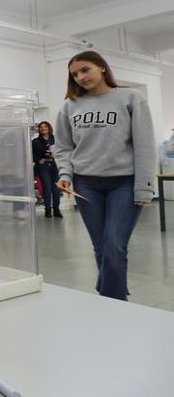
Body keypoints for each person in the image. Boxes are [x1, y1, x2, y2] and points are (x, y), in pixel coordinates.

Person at [55, 51, 155, 301]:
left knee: (113, 247)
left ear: (101, 67)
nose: (80, 77)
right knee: (101, 247)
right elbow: (64, 147)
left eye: (85, 69)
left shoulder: (131, 98)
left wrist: (144, 187)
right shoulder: (70, 106)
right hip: (85, 184)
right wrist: (65, 174)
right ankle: (114, 298)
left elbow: (144, 145)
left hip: (123, 183)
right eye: (74, 74)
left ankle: (113, 302)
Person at [32, 121, 62, 218]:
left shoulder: (56, 139)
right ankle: (48, 210)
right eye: (41, 127)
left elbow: (63, 151)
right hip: (43, 166)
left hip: (55, 165)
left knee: (56, 189)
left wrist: (57, 155)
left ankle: (56, 209)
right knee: (47, 188)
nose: (43, 128)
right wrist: (39, 160)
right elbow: (31, 155)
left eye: (45, 126)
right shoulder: (35, 141)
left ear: (49, 128)